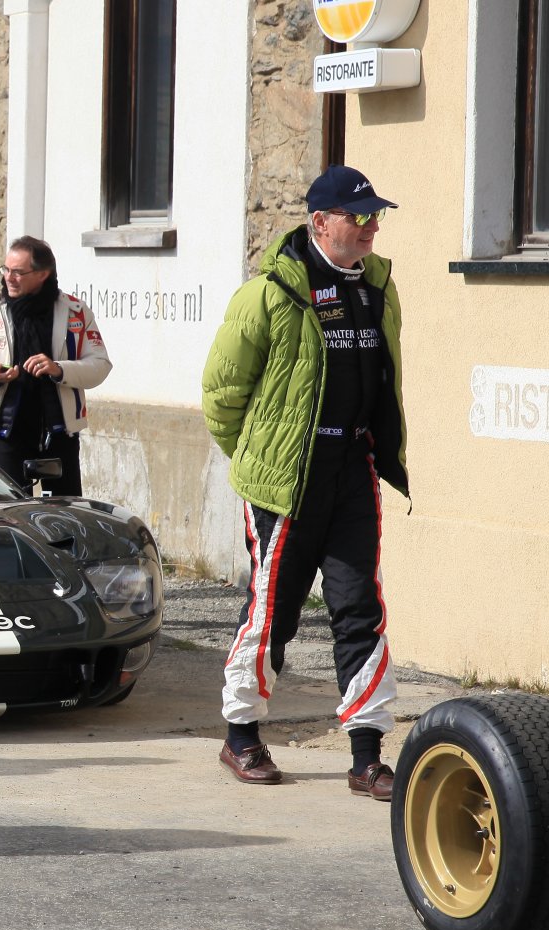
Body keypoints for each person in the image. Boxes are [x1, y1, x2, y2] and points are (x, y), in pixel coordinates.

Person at [201, 164, 409, 800]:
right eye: (359, 216)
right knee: (275, 610)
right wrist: (262, 459)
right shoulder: (267, 294)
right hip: (286, 480)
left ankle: (367, 756)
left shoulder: (378, 289)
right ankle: (241, 736)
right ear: (320, 222)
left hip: (352, 470)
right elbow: (221, 396)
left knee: (359, 608)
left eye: (376, 215)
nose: (371, 227)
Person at [0, 236, 112, 497]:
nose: (9, 278)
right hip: (7, 431)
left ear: (42, 274)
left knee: (64, 510)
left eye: (18, 272)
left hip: (60, 430)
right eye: (5, 270)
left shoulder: (75, 311)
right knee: (11, 510)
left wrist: (59, 369)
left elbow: (100, 365)